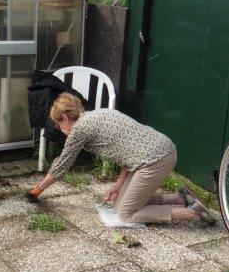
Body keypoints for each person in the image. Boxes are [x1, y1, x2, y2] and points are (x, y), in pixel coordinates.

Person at [27, 93, 211, 227]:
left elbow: (61, 165)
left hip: (155, 160)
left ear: (65, 118)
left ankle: (192, 213)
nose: (59, 129)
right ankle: (180, 198)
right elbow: (127, 154)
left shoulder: (78, 131)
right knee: (117, 203)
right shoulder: (100, 114)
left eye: (58, 124)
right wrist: (118, 185)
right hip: (160, 151)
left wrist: (37, 190)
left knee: (126, 214)